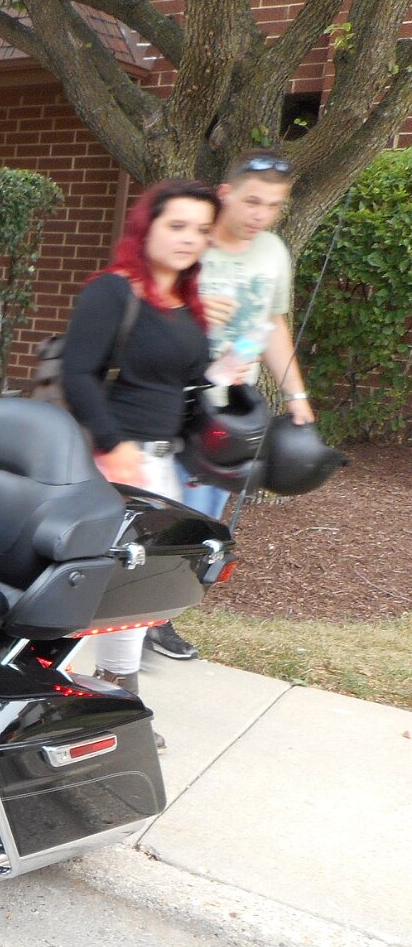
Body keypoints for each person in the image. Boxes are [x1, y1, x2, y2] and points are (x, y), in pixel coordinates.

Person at [61, 179, 222, 741]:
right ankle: (58, 696)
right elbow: (77, 374)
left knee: (135, 587)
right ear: (146, 227)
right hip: (109, 463)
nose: (189, 238)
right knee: (91, 587)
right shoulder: (113, 291)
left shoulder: (187, 304)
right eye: (176, 225)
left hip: (158, 465)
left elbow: (188, 383)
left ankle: (116, 699)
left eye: (201, 229)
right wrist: (114, 445)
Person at [150, 149, 315, 662]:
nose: (261, 215)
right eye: (252, 201)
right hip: (170, 400)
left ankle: (158, 616)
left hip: (229, 409)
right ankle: (126, 617)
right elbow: (140, 311)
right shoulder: (190, 241)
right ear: (226, 194)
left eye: (273, 206)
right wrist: (194, 306)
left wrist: (297, 396)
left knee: (200, 518)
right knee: (155, 509)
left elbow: (272, 325)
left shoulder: (273, 252)